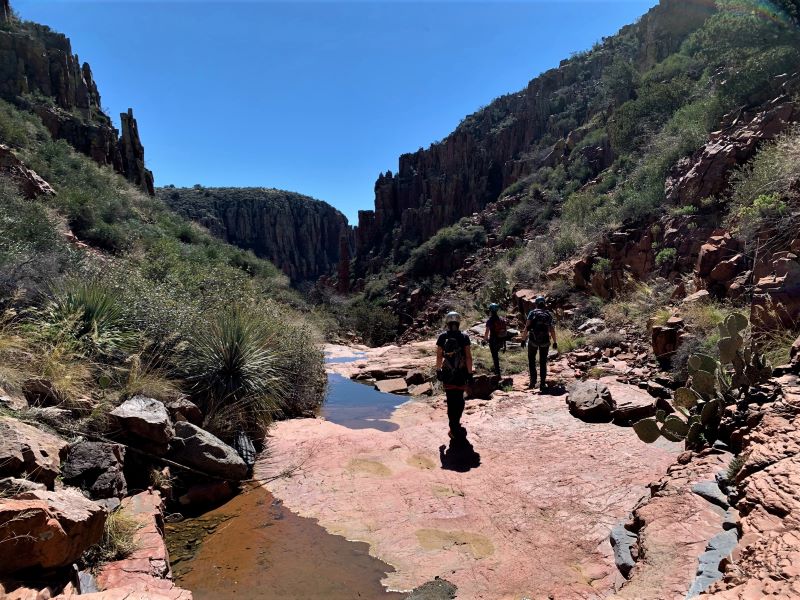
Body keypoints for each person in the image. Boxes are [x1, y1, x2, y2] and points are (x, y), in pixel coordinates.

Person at [436, 311, 474, 439]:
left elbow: (439, 356)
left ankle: (453, 428)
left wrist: (438, 370)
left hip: (447, 373)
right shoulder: (464, 337)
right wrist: (470, 374)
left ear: (447, 322)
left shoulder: (442, 337)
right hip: (461, 373)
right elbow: (468, 357)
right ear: (458, 322)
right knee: (459, 399)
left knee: (451, 401)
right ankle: (456, 423)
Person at [521, 296, 557, 391]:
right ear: (544, 303)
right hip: (545, 341)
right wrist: (555, 341)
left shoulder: (532, 313)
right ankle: (542, 383)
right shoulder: (548, 314)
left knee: (531, 360)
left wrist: (523, 340)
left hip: (533, 340)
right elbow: (552, 329)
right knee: (543, 362)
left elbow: (527, 327)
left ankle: (533, 381)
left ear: (536, 304)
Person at [483, 303, 507, 376]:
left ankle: (497, 372)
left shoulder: (490, 321)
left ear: (490, 311)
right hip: (501, 340)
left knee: (495, 356)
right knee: (496, 355)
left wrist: (484, 340)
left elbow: (487, 332)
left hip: (493, 340)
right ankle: (498, 371)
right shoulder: (501, 319)